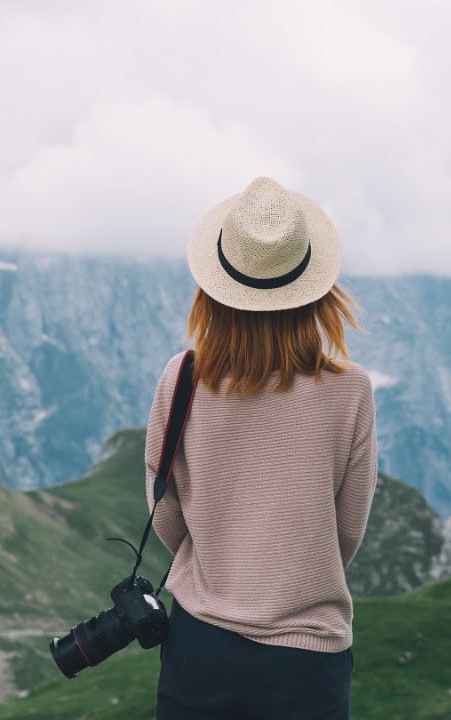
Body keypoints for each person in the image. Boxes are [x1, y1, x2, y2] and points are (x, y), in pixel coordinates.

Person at [144, 176, 378, 719]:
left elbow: (165, 511)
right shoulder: (350, 390)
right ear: (315, 290)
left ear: (215, 287)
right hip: (308, 658)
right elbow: (347, 530)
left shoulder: (181, 379)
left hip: (202, 647)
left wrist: (224, 563)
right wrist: (292, 571)